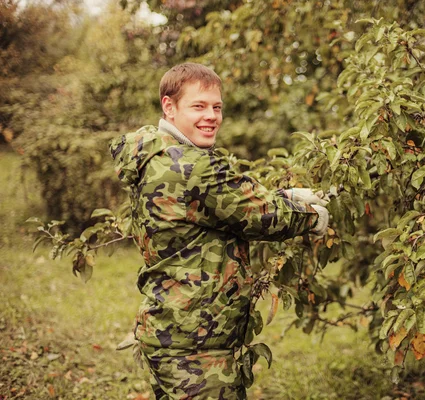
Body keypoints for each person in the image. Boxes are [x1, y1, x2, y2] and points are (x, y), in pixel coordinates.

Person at [109, 63, 330, 399]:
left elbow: (220, 205)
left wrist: (286, 196)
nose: (211, 116)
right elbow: (258, 215)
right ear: (169, 106)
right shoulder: (192, 166)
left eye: (216, 107)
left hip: (171, 328)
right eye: (198, 106)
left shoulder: (153, 152)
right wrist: (312, 218)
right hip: (197, 344)